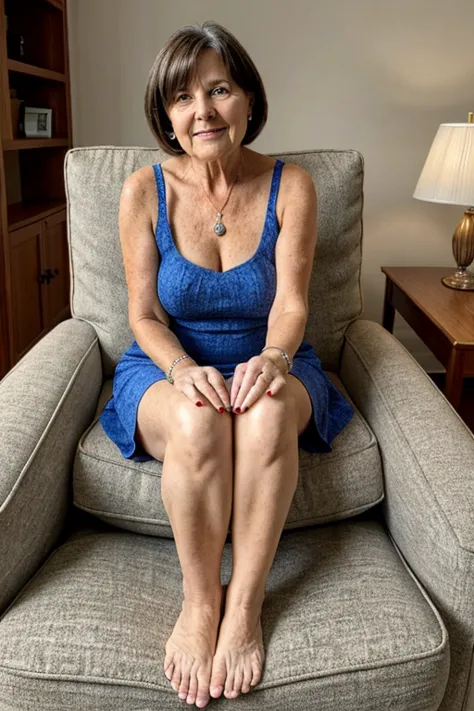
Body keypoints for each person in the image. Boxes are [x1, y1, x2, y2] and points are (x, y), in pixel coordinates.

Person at [100, 20, 354, 709]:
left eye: (219, 89)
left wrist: (273, 357)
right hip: (165, 366)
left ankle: (242, 608)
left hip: (274, 356)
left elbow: (292, 303)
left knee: (268, 413)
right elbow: (144, 316)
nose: (203, 110)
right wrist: (182, 369)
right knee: (197, 415)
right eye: (183, 97)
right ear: (167, 116)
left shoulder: (291, 185)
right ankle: (197, 604)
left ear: (247, 100)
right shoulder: (142, 192)